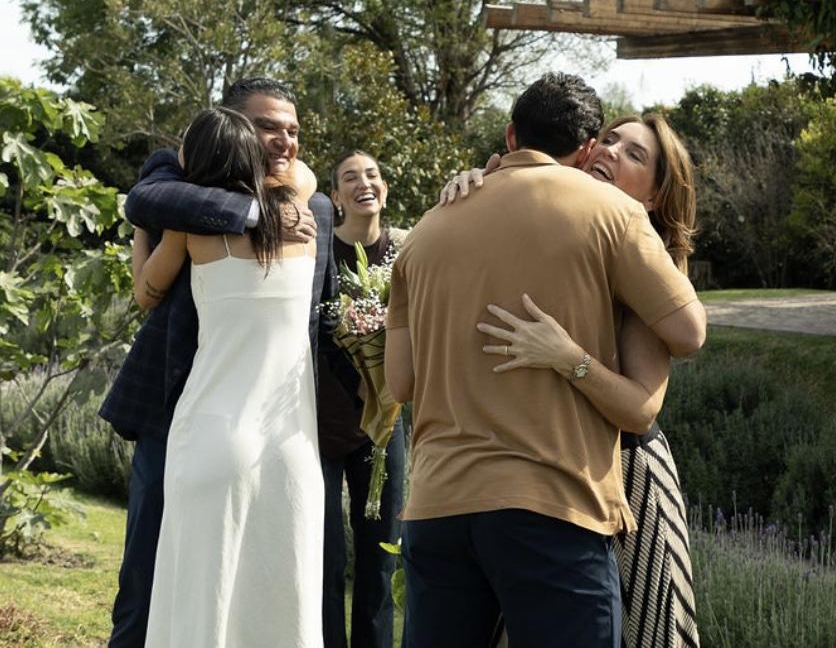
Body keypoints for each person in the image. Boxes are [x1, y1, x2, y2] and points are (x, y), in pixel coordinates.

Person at [384, 72, 706, 648]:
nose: (612, 154)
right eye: (609, 142)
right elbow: (690, 333)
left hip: (448, 502)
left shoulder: (427, 229)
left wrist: (569, 357)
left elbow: (400, 381)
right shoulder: (609, 218)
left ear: (511, 135)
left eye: (634, 154)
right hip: (557, 501)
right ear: (586, 148)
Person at [99, 78, 337, 648]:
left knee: (242, 579)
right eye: (268, 127)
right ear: (233, 126)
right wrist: (259, 212)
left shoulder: (311, 206)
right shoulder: (174, 177)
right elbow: (145, 202)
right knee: (146, 580)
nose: (285, 141)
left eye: (293, 130)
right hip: (171, 406)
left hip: (260, 417)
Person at [320, 149, 406, 648]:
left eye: (372, 175)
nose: (363, 184)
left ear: (384, 190)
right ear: (336, 196)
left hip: (385, 421)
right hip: (322, 417)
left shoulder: (406, 249)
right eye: (350, 178)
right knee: (325, 551)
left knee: (381, 553)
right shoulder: (319, 249)